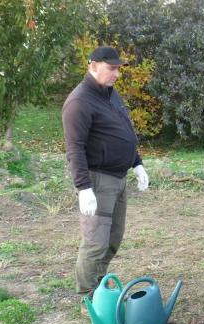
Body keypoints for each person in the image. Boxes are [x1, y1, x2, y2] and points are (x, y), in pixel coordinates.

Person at [63, 46, 150, 300]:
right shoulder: (79, 102)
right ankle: (87, 298)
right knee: (95, 242)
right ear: (93, 66)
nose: (117, 74)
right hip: (98, 181)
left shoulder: (110, 94)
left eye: (118, 69)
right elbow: (74, 148)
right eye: (112, 69)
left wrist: (137, 163)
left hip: (119, 179)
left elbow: (125, 129)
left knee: (113, 239)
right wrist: (84, 187)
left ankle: (99, 287)